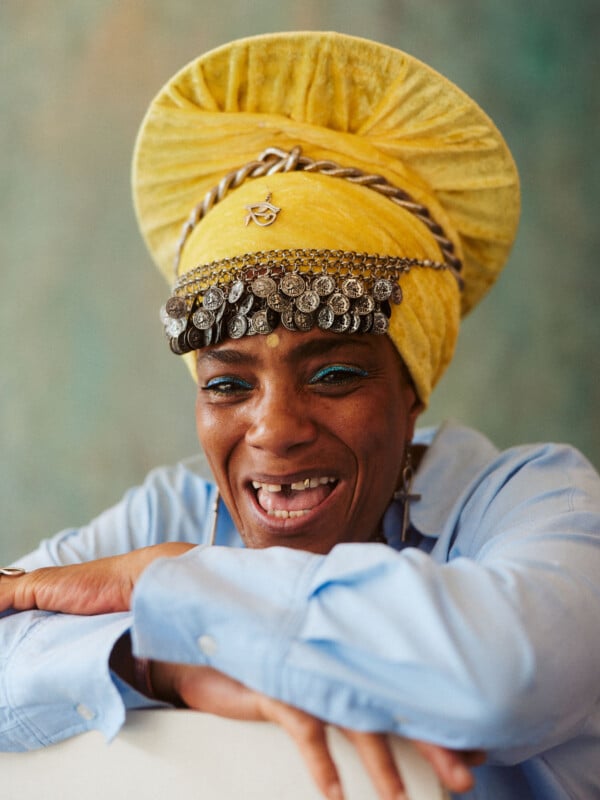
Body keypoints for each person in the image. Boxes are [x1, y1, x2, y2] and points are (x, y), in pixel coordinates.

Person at [1, 31, 599, 800]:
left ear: (411, 387)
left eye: (337, 374)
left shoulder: (539, 497)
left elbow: (506, 678)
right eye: (227, 385)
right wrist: (156, 660)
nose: (274, 429)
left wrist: (173, 583)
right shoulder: (178, 504)